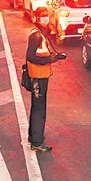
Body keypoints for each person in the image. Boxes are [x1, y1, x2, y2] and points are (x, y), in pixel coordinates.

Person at [25, 22, 66, 152]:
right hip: (38, 77)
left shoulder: (41, 35)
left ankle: (34, 138)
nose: (46, 19)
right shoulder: (36, 36)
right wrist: (49, 60)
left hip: (41, 76)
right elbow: (30, 57)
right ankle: (37, 142)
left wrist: (55, 57)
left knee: (38, 107)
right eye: (43, 17)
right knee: (39, 109)